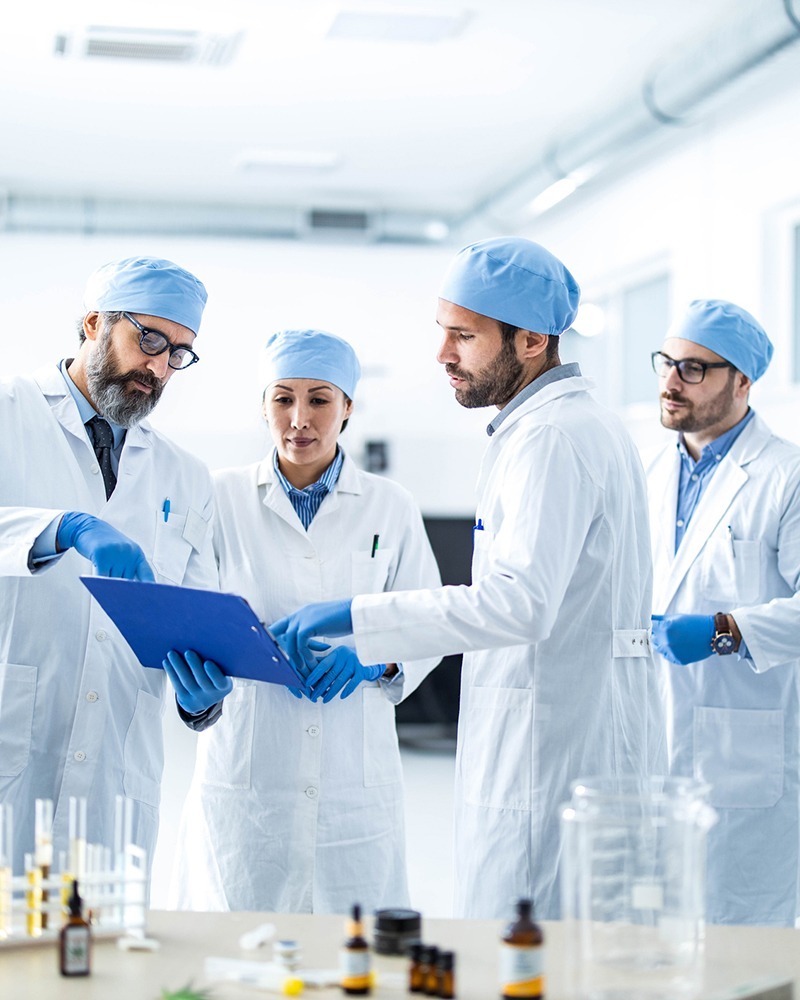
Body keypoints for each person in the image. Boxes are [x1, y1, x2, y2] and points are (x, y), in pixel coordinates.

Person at [271, 238, 665, 920]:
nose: (443, 355)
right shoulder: (557, 427)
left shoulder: (553, 438)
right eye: (443, 332)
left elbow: (520, 605)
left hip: (551, 755)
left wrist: (356, 616)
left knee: (530, 947)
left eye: (464, 336)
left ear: (532, 339)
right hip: (562, 738)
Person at [170, 328, 442, 914]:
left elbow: (428, 618)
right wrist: (196, 694)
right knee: (241, 950)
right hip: (248, 770)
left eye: (320, 399)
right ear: (262, 406)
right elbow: (190, 618)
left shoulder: (389, 505)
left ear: (347, 408)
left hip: (354, 777)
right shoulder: (219, 497)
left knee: (350, 954)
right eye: (283, 398)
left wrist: (378, 653)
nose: (300, 418)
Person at [0, 256, 231, 879]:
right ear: (94, 324)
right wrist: (64, 527)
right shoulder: (8, 412)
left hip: (114, 775)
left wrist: (199, 698)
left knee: (97, 957)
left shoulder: (184, 474)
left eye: (178, 353)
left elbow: (194, 609)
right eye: (148, 339)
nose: (157, 367)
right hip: (11, 747)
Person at [648, 299, 800, 926]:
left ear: (742, 381)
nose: (669, 382)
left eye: (693, 369)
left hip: (747, 749)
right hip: (655, 732)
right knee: (654, 934)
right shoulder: (650, 469)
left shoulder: (786, 475)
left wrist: (725, 630)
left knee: (741, 942)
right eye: (666, 363)